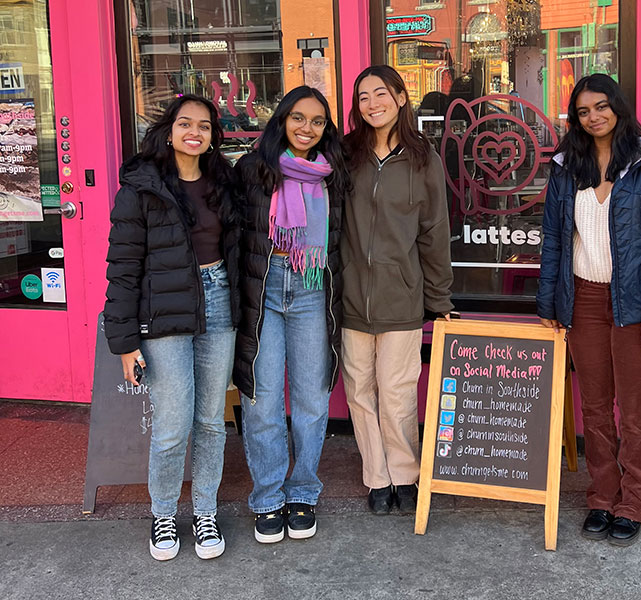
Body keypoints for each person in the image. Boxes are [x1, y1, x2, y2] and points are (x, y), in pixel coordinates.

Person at [537, 74, 641, 546]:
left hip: (636, 303)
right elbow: (556, 241)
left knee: (634, 411)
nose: (594, 116)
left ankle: (636, 500)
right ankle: (602, 495)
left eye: (601, 106)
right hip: (583, 300)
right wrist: (550, 303)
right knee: (595, 407)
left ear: (618, 107)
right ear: (575, 119)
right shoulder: (566, 166)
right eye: (583, 111)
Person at [104, 94, 240, 560]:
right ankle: (164, 513)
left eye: (204, 126)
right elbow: (123, 267)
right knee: (172, 423)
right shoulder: (142, 187)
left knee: (210, 421)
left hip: (219, 300)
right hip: (164, 314)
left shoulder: (224, 181)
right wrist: (124, 343)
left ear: (212, 135)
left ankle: (205, 511)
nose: (194, 133)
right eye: (186, 123)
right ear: (169, 129)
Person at [232, 86, 349, 543]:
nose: (307, 128)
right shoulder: (252, 169)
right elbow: (232, 236)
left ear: (326, 128)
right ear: (281, 120)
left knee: (311, 400)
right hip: (263, 289)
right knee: (261, 402)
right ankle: (267, 496)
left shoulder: (333, 173)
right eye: (297, 118)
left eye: (317, 121)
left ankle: (302, 489)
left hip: (312, 287)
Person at [341, 65, 453, 515]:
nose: (372, 103)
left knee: (398, 390)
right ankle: (377, 476)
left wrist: (439, 299)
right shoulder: (345, 155)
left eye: (381, 93)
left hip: (402, 296)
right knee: (359, 390)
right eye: (363, 96)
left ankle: (405, 472)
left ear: (402, 97)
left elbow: (434, 233)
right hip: (350, 296)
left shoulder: (424, 158)